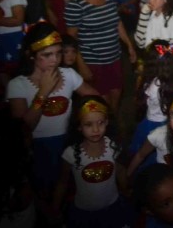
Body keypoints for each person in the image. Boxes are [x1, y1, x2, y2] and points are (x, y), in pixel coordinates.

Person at [6, 22, 98, 203]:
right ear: (31, 55)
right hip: (37, 150)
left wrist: (85, 121)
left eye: (58, 53)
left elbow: (96, 99)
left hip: (68, 144)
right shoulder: (17, 85)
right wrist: (43, 92)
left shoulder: (68, 74)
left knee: (70, 194)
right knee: (43, 196)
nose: (55, 60)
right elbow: (23, 130)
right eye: (47, 55)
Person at [64, 0, 137, 112]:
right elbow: (71, 39)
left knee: (116, 96)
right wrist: (82, 65)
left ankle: (113, 123)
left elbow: (117, 22)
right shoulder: (76, 6)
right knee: (101, 103)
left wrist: (129, 45)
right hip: (93, 63)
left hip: (114, 59)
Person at [50, 95, 134, 228]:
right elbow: (63, 182)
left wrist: (127, 192)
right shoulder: (71, 153)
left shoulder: (113, 146)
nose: (96, 129)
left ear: (107, 122)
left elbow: (120, 171)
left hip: (112, 207)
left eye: (100, 123)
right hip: (83, 212)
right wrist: (55, 208)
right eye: (88, 124)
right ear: (79, 126)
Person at [129, 40, 173, 175]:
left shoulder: (153, 86)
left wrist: (140, 80)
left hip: (150, 124)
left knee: (144, 155)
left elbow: (139, 101)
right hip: (168, 123)